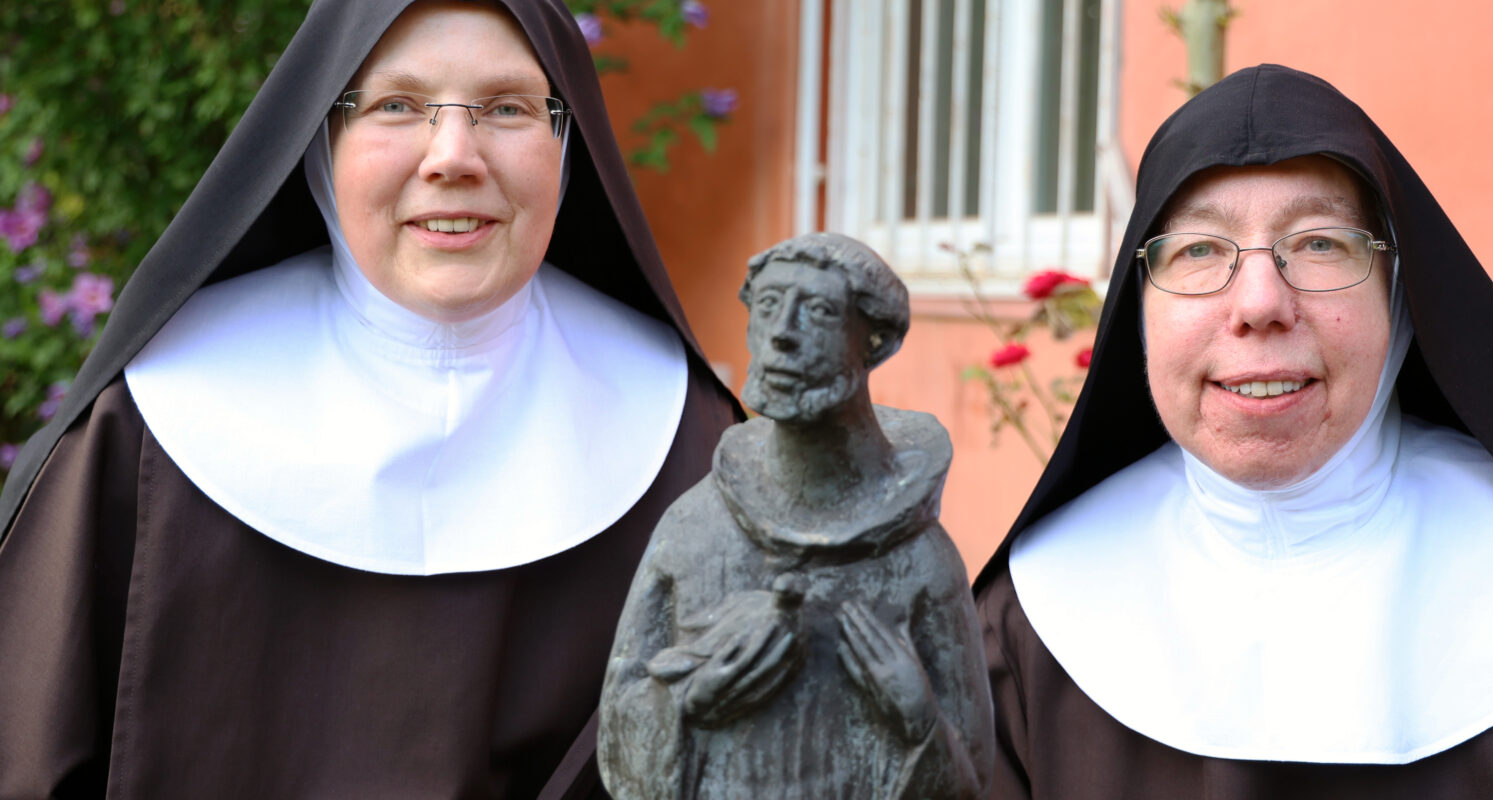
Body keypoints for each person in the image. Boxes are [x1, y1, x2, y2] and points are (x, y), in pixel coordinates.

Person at [0, 0, 739, 796]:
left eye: (507, 109)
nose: (453, 155)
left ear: (567, 145)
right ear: (321, 140)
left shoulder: (691, 444)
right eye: (396, 105)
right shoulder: (145, 428)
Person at [975, 64, 1493, 798]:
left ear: (1400, 300)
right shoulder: (1026, 625)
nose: (1260, 303)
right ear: (1138, 311)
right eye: (1199, 250)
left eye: (1320, 244)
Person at [598, 233, 992, 799]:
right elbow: (619, 725)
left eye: (820, 311)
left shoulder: (921, 559)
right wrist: (687, 703)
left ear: (874, 343)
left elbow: (972, 777)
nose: (782, 334)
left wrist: (919, 720)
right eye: (767, 306)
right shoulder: (694, 529)